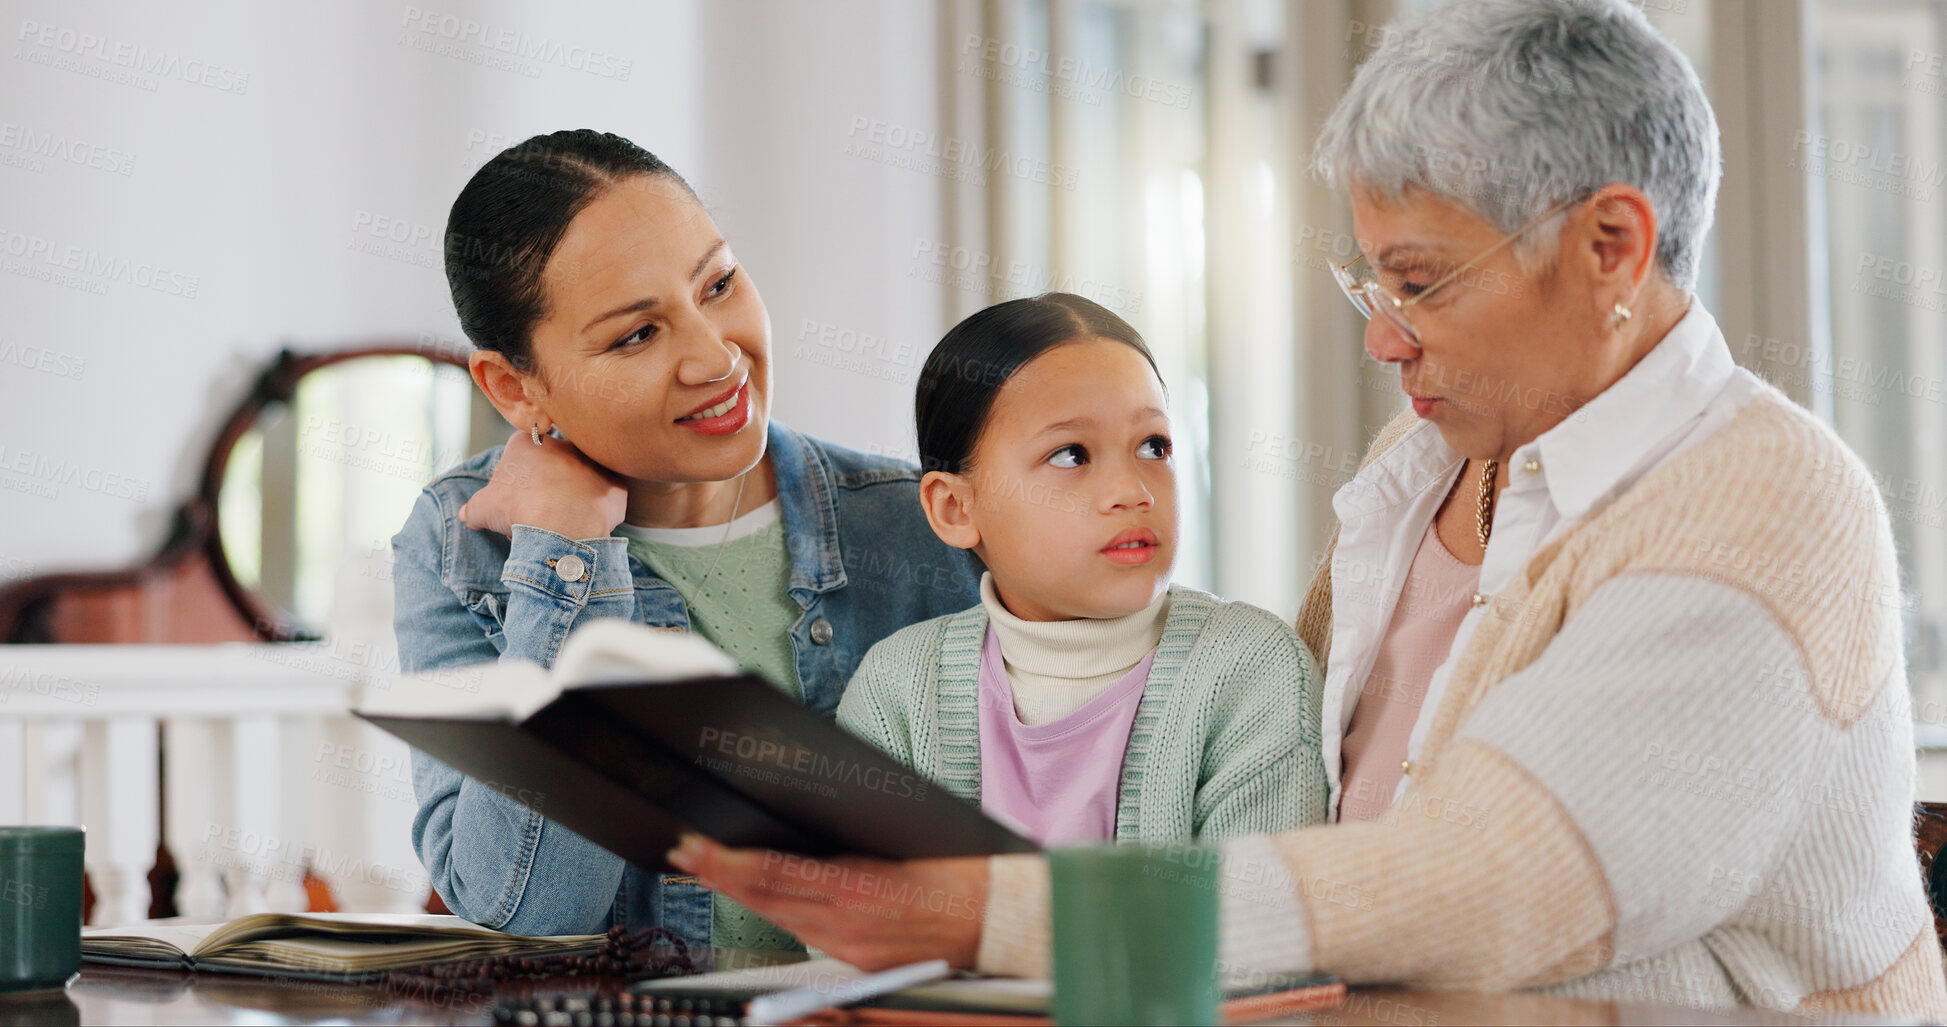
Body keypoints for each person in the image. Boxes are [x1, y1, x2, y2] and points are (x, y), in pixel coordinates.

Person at [667, 0, 1947, 1016]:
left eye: (1422, 281)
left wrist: (1000, 912)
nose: (1386, 338)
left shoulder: (1765, 503)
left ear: (1611, 245)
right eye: (1368, 283)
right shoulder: (1426, 466)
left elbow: (1493, 886)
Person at [390, 130, 982, 953]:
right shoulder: (460, 546)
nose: (715, 357)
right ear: (515, 387)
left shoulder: (922, 524)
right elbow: (527, 909)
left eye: (718, 283)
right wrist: (568, 557)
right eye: (637, 335)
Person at [837, 293, 1327, 846]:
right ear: (956, 508)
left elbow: (1253, 922)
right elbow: (858, 923)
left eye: (1153, 445)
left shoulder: (1254, 669)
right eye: (1071, 454)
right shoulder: (895, 692)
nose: (1133, 491)